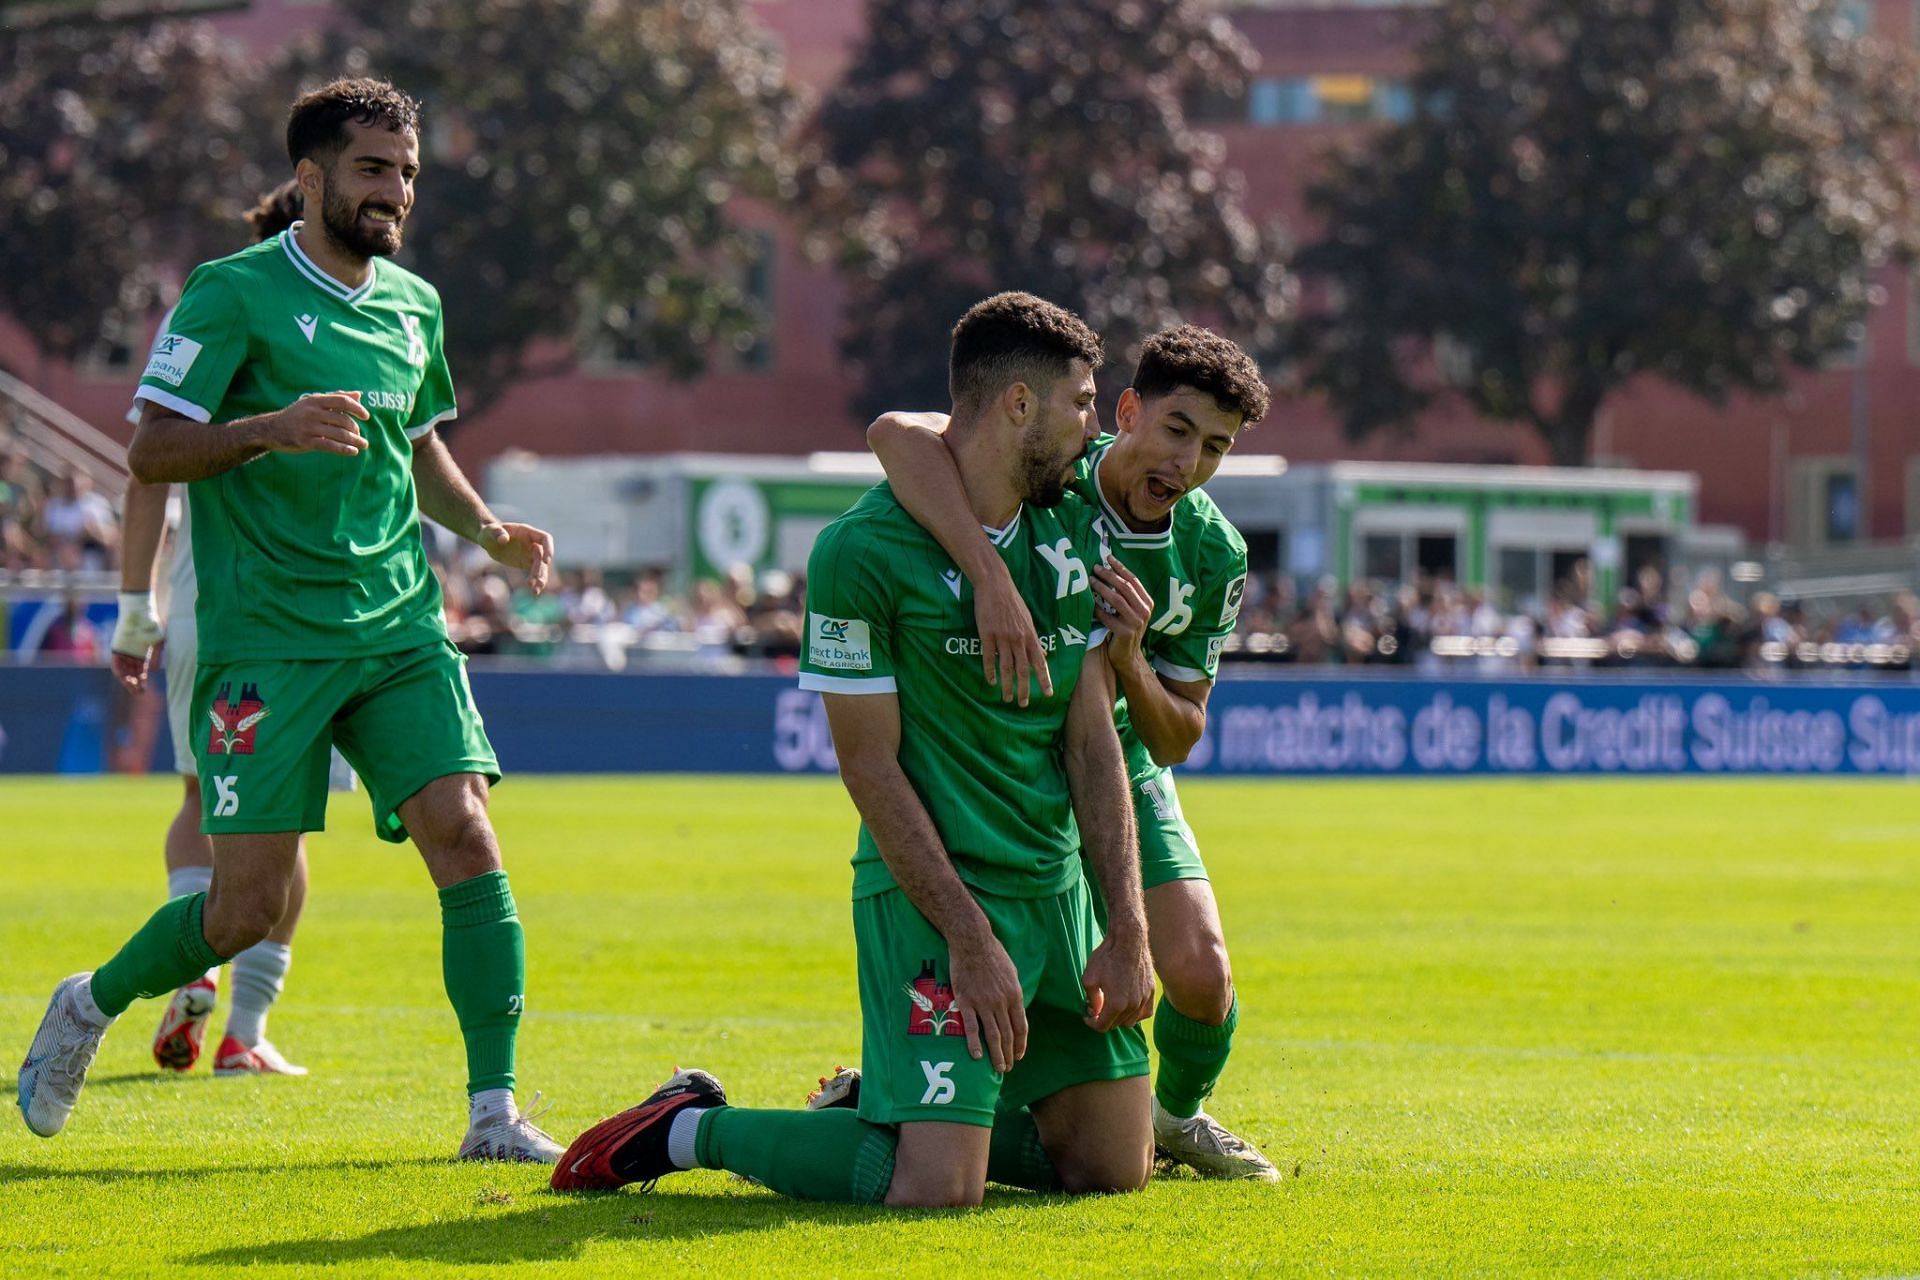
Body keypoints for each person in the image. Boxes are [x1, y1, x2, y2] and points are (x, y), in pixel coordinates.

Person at [18, 78, 560, 1163]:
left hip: (400, 626)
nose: (393, 191)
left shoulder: (415, 304)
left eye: (406, 171)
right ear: (309, 177)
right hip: (267, 638)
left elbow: (417, 446)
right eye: (372, 169)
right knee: (244, 909)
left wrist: (490, 529)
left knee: (466, 833)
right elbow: (151, 452)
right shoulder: (231, 293)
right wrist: (274, 426)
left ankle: (493, 1111)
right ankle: (90, 1000)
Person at [553, 292, 1156, 1206]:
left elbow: (1092, 747)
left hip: (1055, 892)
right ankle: (687, 1130)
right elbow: (867, 767)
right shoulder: (859, 552)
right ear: (1019, 407)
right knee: (934, 1191)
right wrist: (967, 934)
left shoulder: (1069, 531)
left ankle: (884, 1106)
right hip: (932, 901)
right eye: (1082, 404)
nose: (1093, 430)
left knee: (1114, 1171)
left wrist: (1126, 923)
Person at [863, 323, 1279, 1180]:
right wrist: (987, 574)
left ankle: (1175, 1119)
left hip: (1121, 760)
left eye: (1215, 448)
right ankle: (919, 1107)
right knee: (1001, 975)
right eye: (1176, 429)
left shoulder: (1215, 553)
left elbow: (1182, 734)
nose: (1190, 461)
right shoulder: (1055, 474)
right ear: (1126, 411)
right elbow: (894, 436)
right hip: (1016, 754)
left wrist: (1129, 660)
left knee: (1198, 973)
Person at [112, 179, 317, 1078]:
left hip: (200, 610)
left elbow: (147, 475)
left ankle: (195, 964)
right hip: (296, 618)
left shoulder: (209, 320)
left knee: (200, 803)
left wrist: (136, 608)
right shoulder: (315, 326)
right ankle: (246, 1029)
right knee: (290, 827)